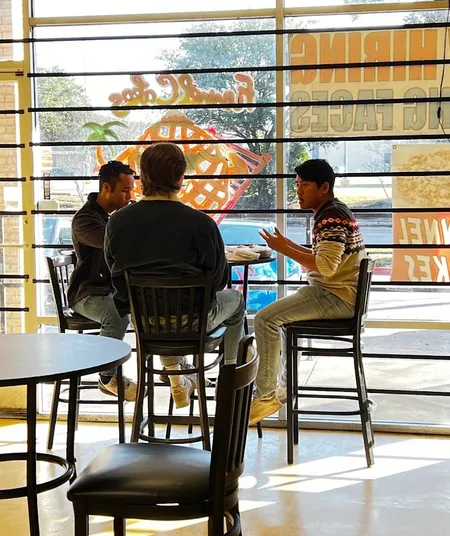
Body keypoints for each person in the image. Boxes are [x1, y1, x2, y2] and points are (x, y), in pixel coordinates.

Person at [104, 142, 245, 409]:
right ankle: (230, 382)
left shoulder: (117, 222)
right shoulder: (200, 224)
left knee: (162, 311)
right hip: (193, 325)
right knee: (236, 302)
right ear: (181, 178)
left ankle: (177, 373)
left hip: (145, 324)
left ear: (142, 178)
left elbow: (115, 273)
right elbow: (218, 281)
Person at [249, 159, 366, 425]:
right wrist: (286, 244)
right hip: (340, 294)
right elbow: (322, 257)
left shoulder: (331, 218)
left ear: (324, 187)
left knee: (264, 319)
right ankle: (285, 386)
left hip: (336, 296)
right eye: (297, 185)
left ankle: (266, 395)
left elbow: (325, 266)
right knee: (279, 319)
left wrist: (284, 248)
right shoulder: (334, 211)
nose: (299, 191)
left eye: (305, 185)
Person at [67, 160, 138, 401]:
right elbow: (114, 246)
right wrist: (133, 219)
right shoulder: (84, 220)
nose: (130, 196)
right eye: (125, 191)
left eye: (132, 190)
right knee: (117, 314)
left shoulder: (113, 217)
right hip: (87, 293)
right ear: (106, 188)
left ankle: (175, 368)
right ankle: (108, 377)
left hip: (111, 290)